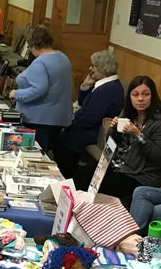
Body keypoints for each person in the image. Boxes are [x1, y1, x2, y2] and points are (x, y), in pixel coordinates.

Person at [97, 75, 161, 203]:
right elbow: (111, 144)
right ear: (129, 97)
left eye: (145, 94)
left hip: (142, 175)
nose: (140, 99)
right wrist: (113, 129)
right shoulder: (127, 113)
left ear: (152, 96)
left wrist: (138, 135)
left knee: (105, 185)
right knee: (85, 174)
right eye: (135, 95)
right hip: (119, 166)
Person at [52, 49, 124, 179]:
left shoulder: (108, 89)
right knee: (61, 134)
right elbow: (82, 102)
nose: (90, 68)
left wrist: (70, 124)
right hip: (90, 127)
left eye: (94, 66)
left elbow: (90, 119)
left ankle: (65, 177)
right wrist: (86, 86)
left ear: (103, 68)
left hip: (95, 133)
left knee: (63, 139)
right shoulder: (105, 85)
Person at [8, 25, 73, 154]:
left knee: (34, 154)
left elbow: (38, 89)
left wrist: (16, 93)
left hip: (39, 120)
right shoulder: (63, 57)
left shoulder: (41, 62)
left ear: (32, 44)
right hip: (59, 118)